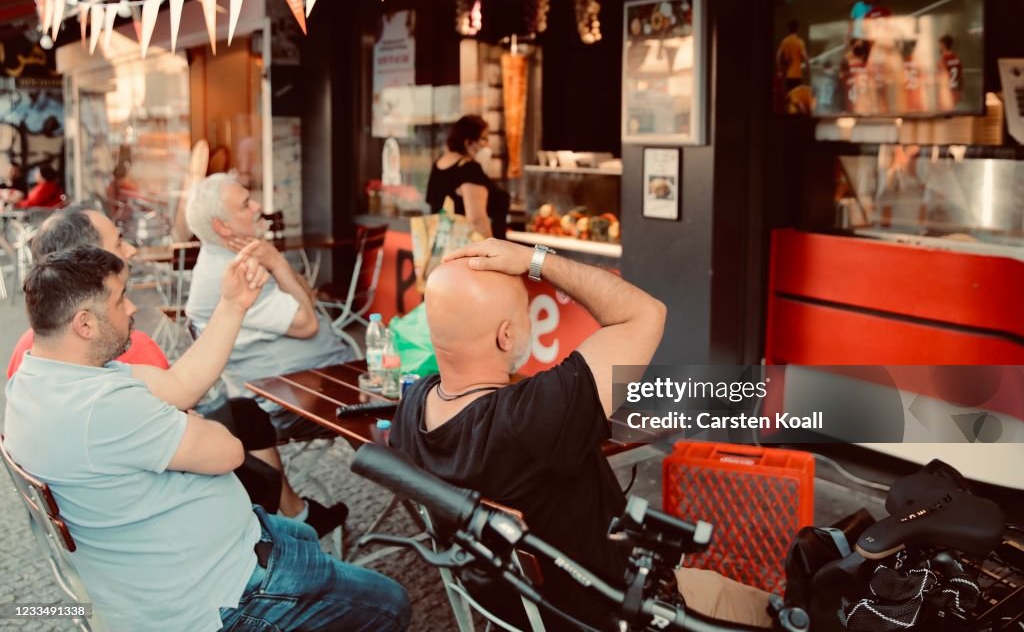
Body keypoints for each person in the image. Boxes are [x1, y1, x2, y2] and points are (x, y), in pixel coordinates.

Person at [5, 246, 410, 632]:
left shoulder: (36, 378)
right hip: (224, 596)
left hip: (203, 557)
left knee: (300, 534)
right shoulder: (101, 409)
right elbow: (229, 451)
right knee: (391, 603)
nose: (131, 308)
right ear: (85, 323)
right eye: (120, 298)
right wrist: (184, 420)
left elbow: (179, 386)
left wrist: (233, 305)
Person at [389, 238, 772, 630]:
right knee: (777, 611)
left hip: (514, 610)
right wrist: (534, 259)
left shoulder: (412, 409)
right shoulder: (531, 417)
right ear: (505, 336)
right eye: (525, 313)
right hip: (614, 611)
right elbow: (644, 312)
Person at [5, 207, 347, 536]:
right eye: (117, 243)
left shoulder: (34, 355)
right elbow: (209, 443)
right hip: (156, 520)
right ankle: (291, 525)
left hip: (91, 510)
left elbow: (178, 390)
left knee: (242, 413)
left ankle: (296, 516)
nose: (132, 250)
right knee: (247, 423)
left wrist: (232, 305)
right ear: (87, 262)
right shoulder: (117, 347)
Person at [185, 173, 354, 440]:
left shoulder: (240, 255)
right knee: (400, 402)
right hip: (286, 400)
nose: (257, 208)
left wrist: (276, 262)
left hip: (312, 379)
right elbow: (308, 324)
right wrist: (277, 263)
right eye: (245, 204)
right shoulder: (233, 272)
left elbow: (306, 299)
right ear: (222, 227)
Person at [425, 115, 510, 240]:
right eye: (483, 139)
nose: (487, 144)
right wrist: (491, 252)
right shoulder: (469, 169)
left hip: (445, 249)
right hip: (472, 252)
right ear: (468, 142)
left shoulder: (438, 165)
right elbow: (477, 220)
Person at [776, 19, 808, 92]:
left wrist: (779, 70)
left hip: (788, 76)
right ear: (797, 29)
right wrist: (807, 69)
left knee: (789, 97)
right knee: (797, 97)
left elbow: (778, 56)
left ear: (788, 29)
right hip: (797, 75)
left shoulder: (784, 41)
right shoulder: (799, 42)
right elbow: (805, 58)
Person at [937, 34, 963, 111]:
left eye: (940, 44)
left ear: (943, 44)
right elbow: (960, 76)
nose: (939, 46)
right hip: (955, 91)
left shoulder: (942, 60)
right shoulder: (956, 58)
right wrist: (960, 91)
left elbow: (940, 78)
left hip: (946, 93)